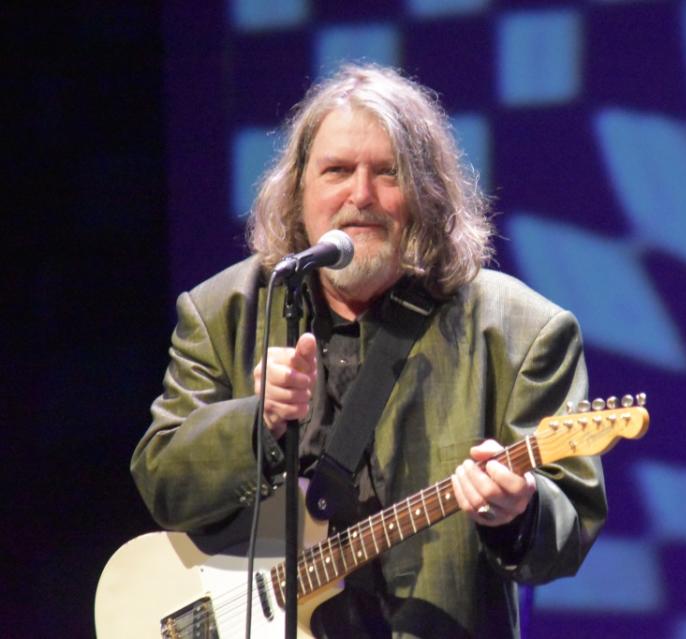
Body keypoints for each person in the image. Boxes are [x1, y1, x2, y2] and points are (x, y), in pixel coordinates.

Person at [131, 64, 606, 638]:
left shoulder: (522, 331)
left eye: (388, 173)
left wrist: (520, 512)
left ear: (426, 194)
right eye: (337, 171)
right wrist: (257, 424)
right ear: (297, 190)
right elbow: (163, 484)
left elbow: (569, 528)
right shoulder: (224, 311)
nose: (361, 195)